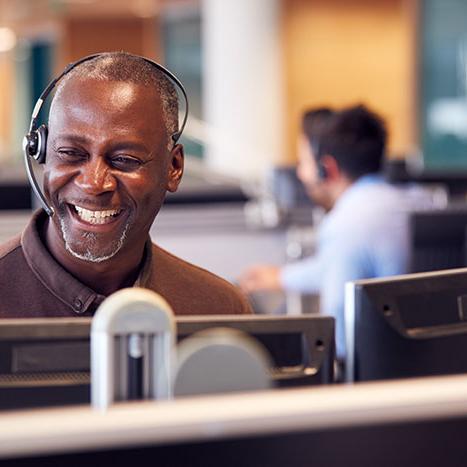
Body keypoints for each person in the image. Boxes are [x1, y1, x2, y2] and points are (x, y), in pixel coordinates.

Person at [0, 52, 252, 317]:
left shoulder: (219, 310)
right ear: (41, 151)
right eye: (71, 153)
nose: (94, 183)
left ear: (173, 168)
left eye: (124, 159)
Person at [240, 104, 433, 358]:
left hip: (376, 375)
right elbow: (352, 265)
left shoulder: (345, 224)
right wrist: (283, 277)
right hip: (436, 364)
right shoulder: (422, 201)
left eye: (304, 162)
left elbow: (340, 327)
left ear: (327, 169)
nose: (300, 173)